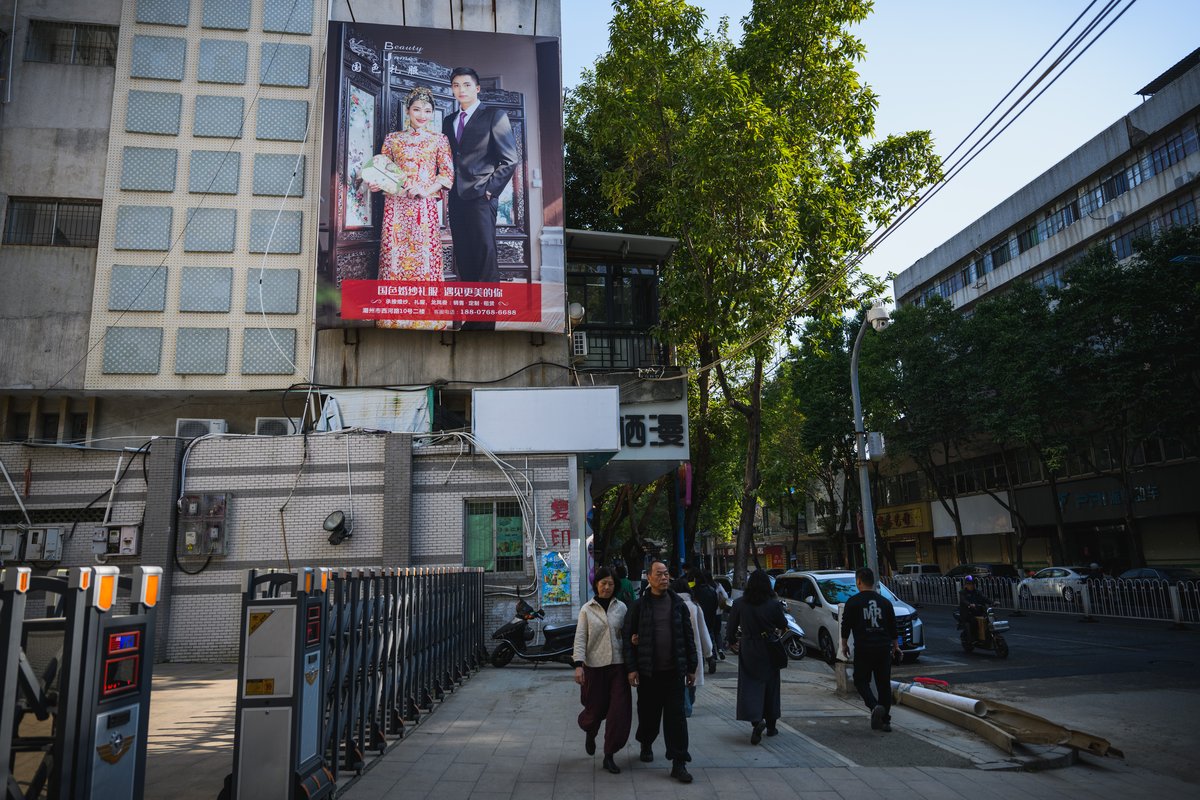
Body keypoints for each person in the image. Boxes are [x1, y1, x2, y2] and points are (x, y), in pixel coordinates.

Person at [365, 86, 454, 330]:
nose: (422, 115)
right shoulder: (393, 139)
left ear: (433, 113)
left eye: (427, 110)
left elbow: (447, 175)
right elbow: (382, 169)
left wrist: (425, 189)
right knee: (395, 257)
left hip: (423, 208)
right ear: (408, 111)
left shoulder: (439, 140)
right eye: (417, 109)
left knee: (424, 259)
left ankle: (428, 318)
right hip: (395, 208)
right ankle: (394, 318)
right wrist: (376, 183)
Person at [442, 66, 518, 329]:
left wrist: (489, 190)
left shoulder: (494, 116)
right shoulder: (448, 121)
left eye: (465, 85)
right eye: (455, 85)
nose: (460, 90)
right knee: (464, 258)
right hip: (456, 198)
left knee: (485, 257)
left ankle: (485, 324)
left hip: (481, 198)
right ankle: (470, 319)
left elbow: (509, 160)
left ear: (477, 88)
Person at [623, 560, 698, 784]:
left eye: (666, 574)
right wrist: (632, 668)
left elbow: (688, 637)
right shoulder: (639, 606)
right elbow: (628, 639)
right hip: (648, 673)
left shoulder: (678, 604)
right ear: (649, 577)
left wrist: (692, 667)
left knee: (677, 719)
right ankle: (646, 743)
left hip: (674, 673)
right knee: (648, 716)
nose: (664, 578)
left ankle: (679, 762)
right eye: (659, 574)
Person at [573, 567, 631, 775]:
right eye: (603, 583)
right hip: (594, 667)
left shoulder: (622, 608)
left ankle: (609, 754)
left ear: (615, 586)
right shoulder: (587, 609)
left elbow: (628, 634)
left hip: (618, 666)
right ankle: (590, 731)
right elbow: (580, 638)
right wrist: (578, 665)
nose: (607, 587)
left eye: (611, 583)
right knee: (594, 710)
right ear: (596, 584)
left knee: (619, 711)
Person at [725, 570, 788, 744]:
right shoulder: (773, 604)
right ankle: (772, 726)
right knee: (771, 686)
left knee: (749, 686)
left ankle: (756, 722)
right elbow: (783, 624)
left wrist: (732, 642)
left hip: (748, 648)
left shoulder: (739, 604)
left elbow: (730, 628)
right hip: (769, 648)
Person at [840, 567, 900, 732]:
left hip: (864, 648)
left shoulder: (853, 602)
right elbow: (892, 626)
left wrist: (844, 645)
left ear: (858, 581)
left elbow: (846, 626)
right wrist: (896, 646)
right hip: (883, 648)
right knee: (883, 684)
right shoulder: (885, 602)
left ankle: (874, 707)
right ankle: (886, 721)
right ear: (873, 582)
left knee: (860, 680)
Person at [671, 577, 713, 717]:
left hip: (675, 650)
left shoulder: (671, 604)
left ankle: (685, 706)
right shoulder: (695, 607)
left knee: (681, 681)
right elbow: (703, 631)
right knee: (691, 681)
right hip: (694, 650)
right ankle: (687, 706)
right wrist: (708, 652)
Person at [691, 571, 720, 674]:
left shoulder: (694, 591)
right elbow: (716, 604)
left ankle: (702, 663)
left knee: (698, 640)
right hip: (710, 617)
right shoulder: (712, 590)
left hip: (699, 618)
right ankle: (712, 657)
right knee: (709, 637)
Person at [958, 575, 990, 641]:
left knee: (989, 619)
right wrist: (969, 604)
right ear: (966, 585)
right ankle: (973, 637)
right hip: (967, 613)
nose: (971, 585)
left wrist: (992, 602)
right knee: (973, 621)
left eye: (972, 583)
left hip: (977, 611)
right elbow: (963, 600)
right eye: (969, 584)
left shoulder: (977, 592)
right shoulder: (963, 592)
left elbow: (984, 598)